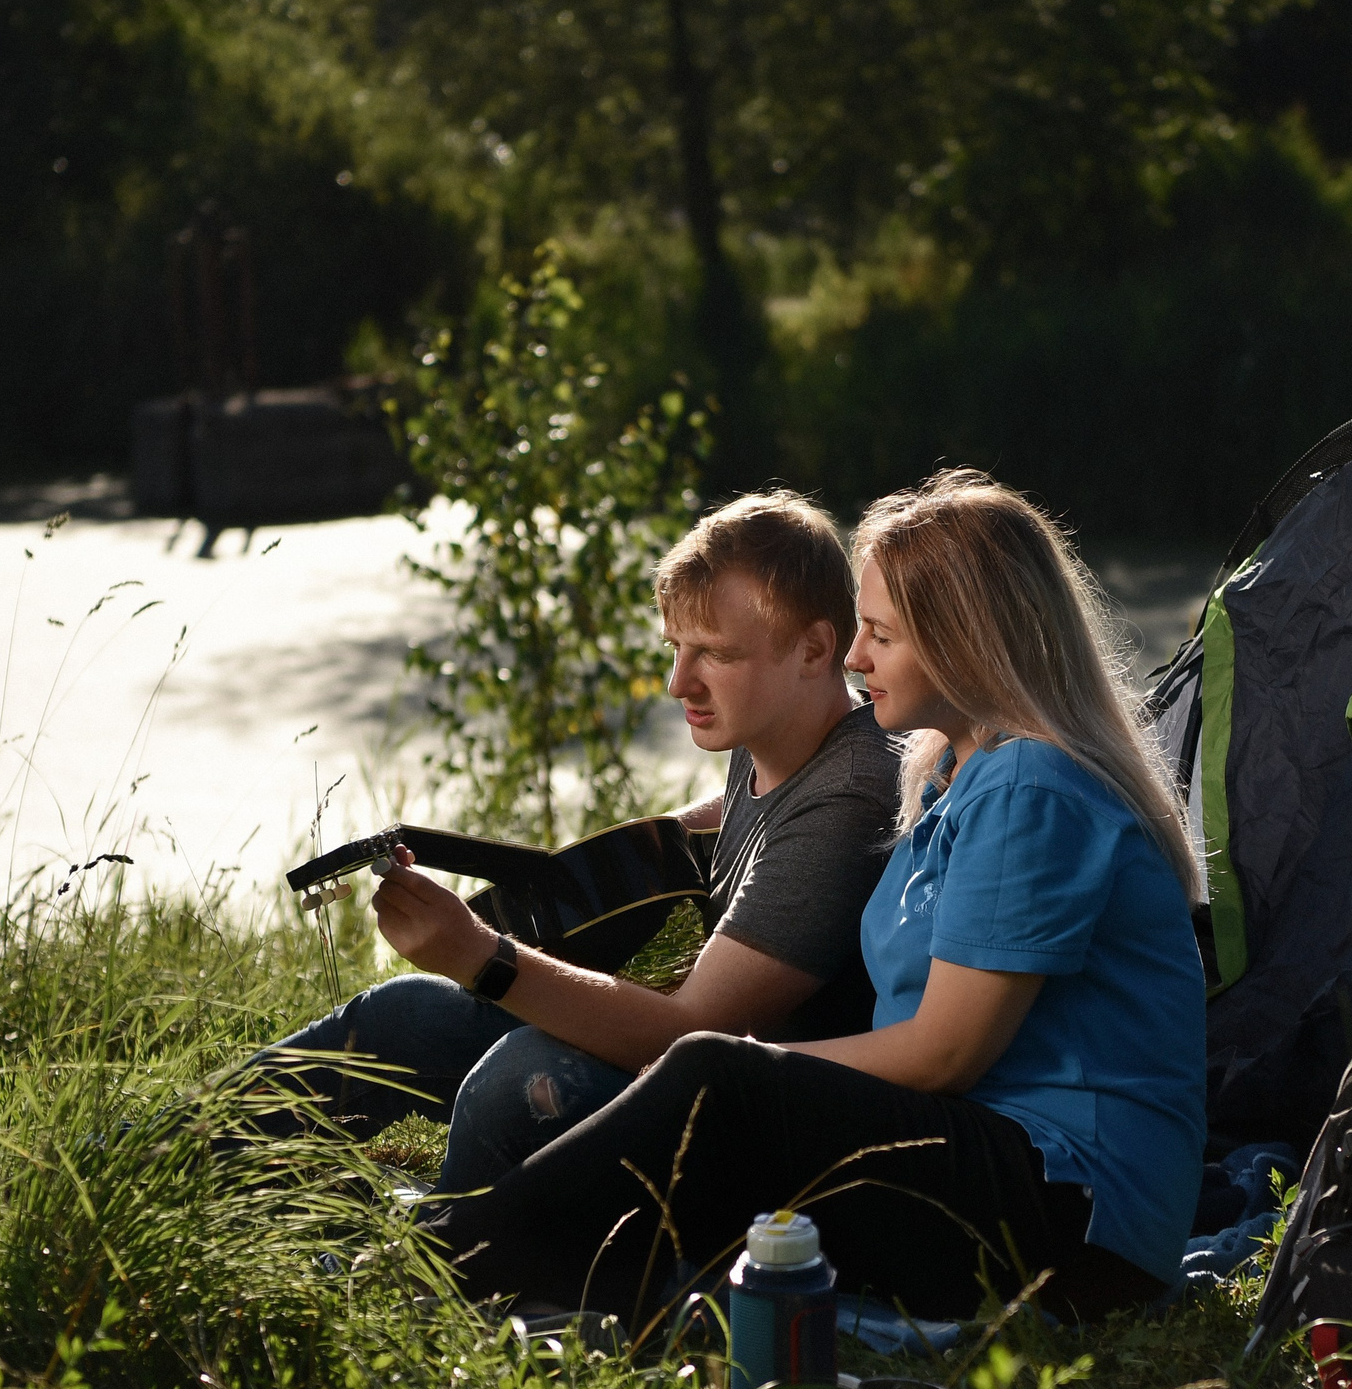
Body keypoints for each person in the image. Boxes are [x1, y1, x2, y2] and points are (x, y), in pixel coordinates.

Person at [404, 469, 1208, 1323]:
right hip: (994, 1165)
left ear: (965, 640)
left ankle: (448, 1264)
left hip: (1073, 1215)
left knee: (717, 1076)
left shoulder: (1031, 787)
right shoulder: (954, 769)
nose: (856, 659)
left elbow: (944, 1055)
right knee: (711, 1107)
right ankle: (541, 1276)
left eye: (880, 635)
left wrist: (754, 1068)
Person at [246, 492, 902, 1187]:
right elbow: (742, 812)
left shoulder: (849, 794)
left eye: (714, 653)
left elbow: (692, 1029)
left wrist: (479, 955)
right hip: (695, 1075)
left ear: (814, 649)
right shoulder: (782, 726)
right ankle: (187, 1155)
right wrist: (635, 850)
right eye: (676, 647)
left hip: (765, 1132)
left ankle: (449, 1239)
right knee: (402, 1014)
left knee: (519, 1078)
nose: (679, 682)